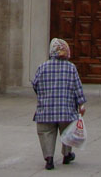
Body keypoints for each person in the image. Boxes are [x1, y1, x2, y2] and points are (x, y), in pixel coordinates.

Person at [32, 38, 86, 170]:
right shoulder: (71, 67)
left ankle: (49, 158)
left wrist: (43, 95)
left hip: (46, 109)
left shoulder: (43, 67)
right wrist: (81, 104)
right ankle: (67, 154)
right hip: (66, 109)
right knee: (67, 132)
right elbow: (77, 87)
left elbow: (35, 84)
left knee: (46, 132)